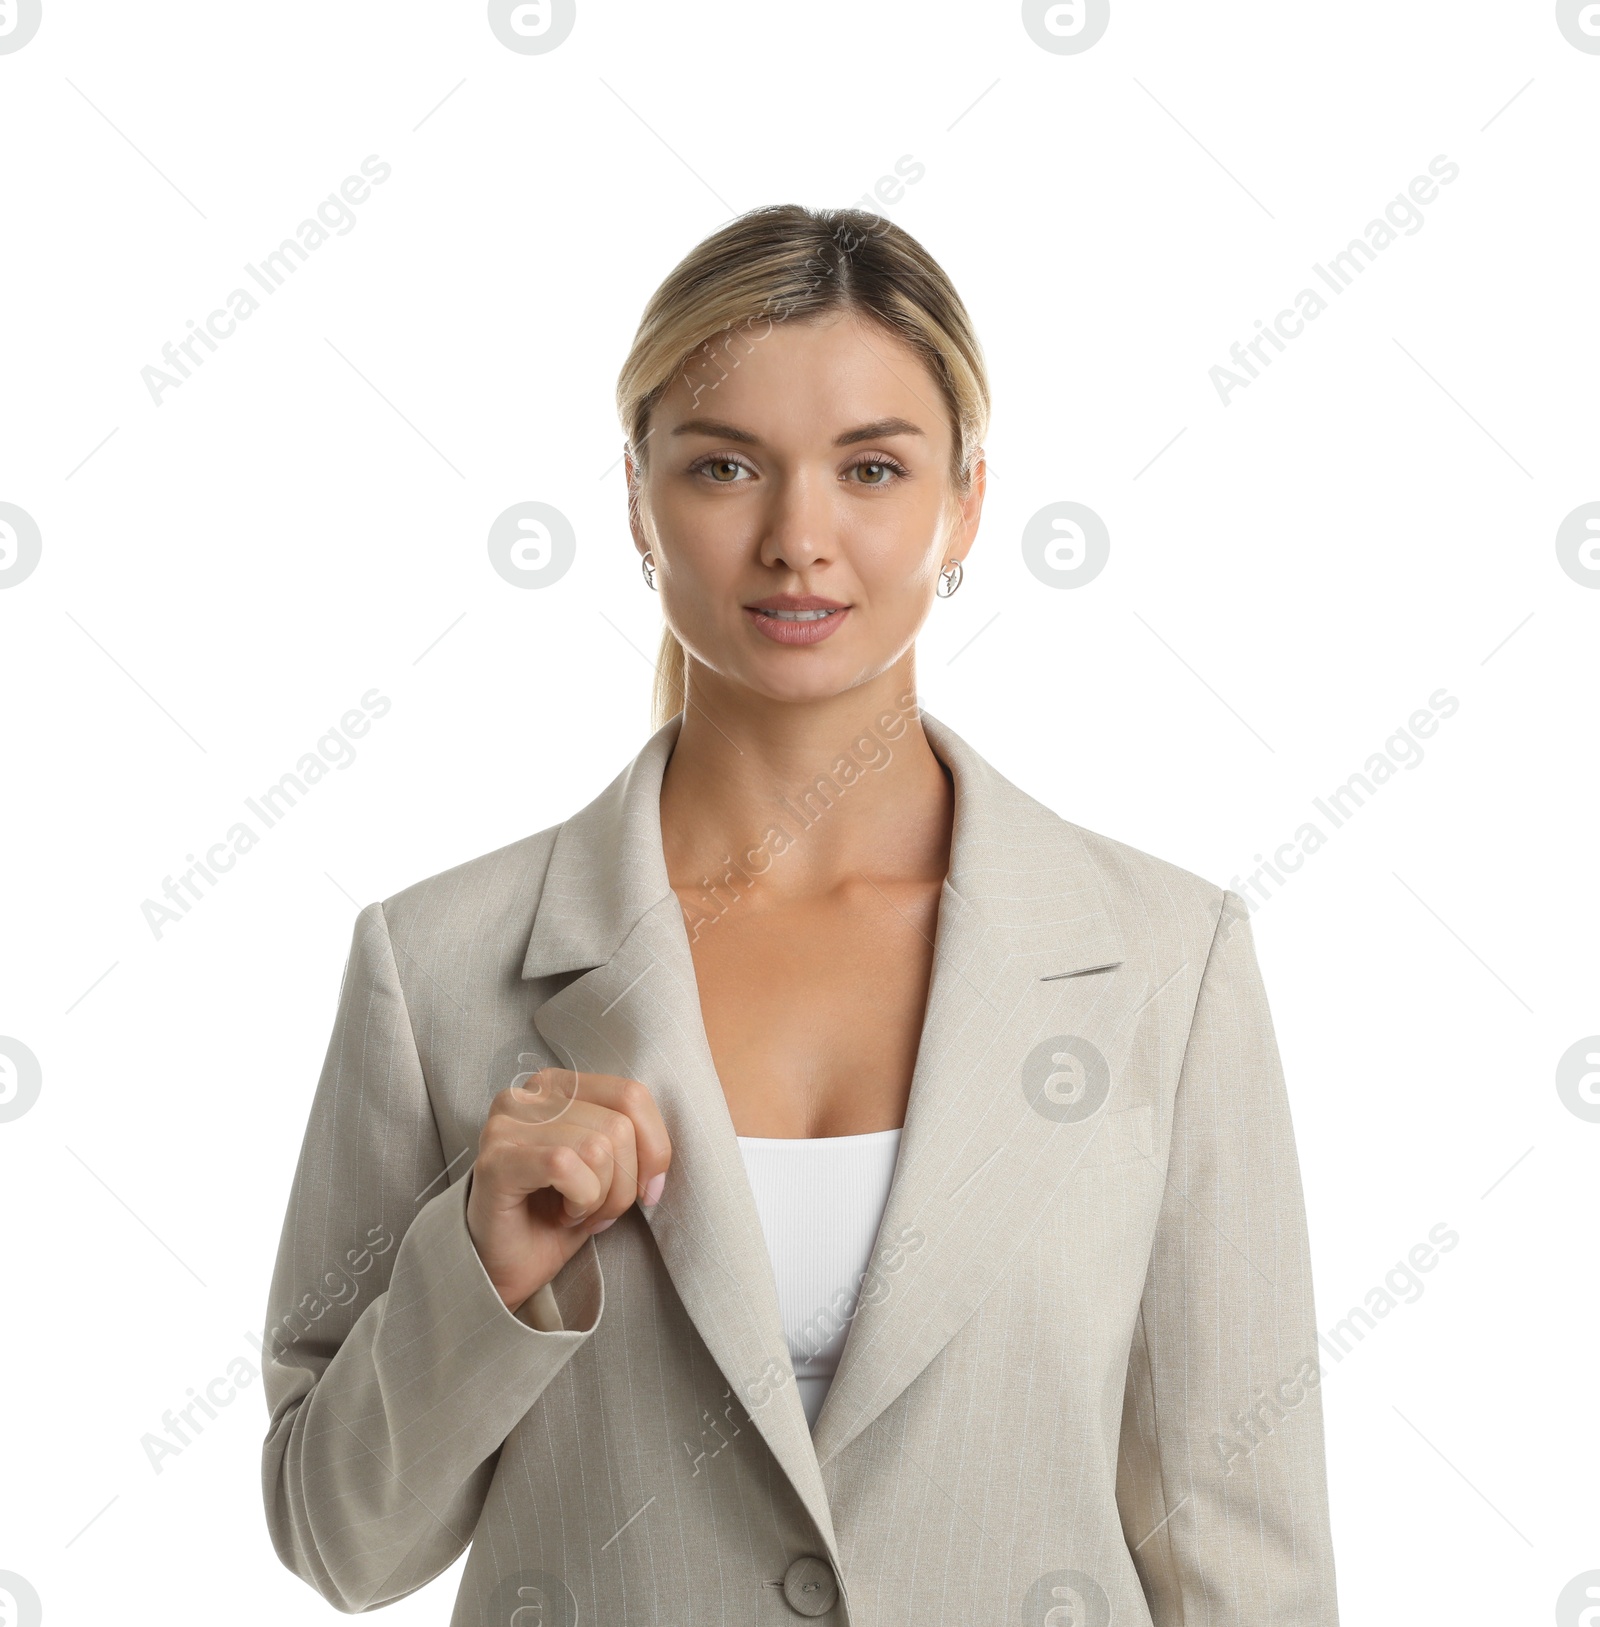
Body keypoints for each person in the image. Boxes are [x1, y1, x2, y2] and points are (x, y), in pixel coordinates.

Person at [260, 204, 1339, 1625]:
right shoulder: (437, 966)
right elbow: (342, 1542)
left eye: (872, 468)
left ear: (963, 505)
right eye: (724, 466)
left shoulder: (1164, 962)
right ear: (638, 503)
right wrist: (483, 1264)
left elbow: (1242, 1553)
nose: (798, 539)